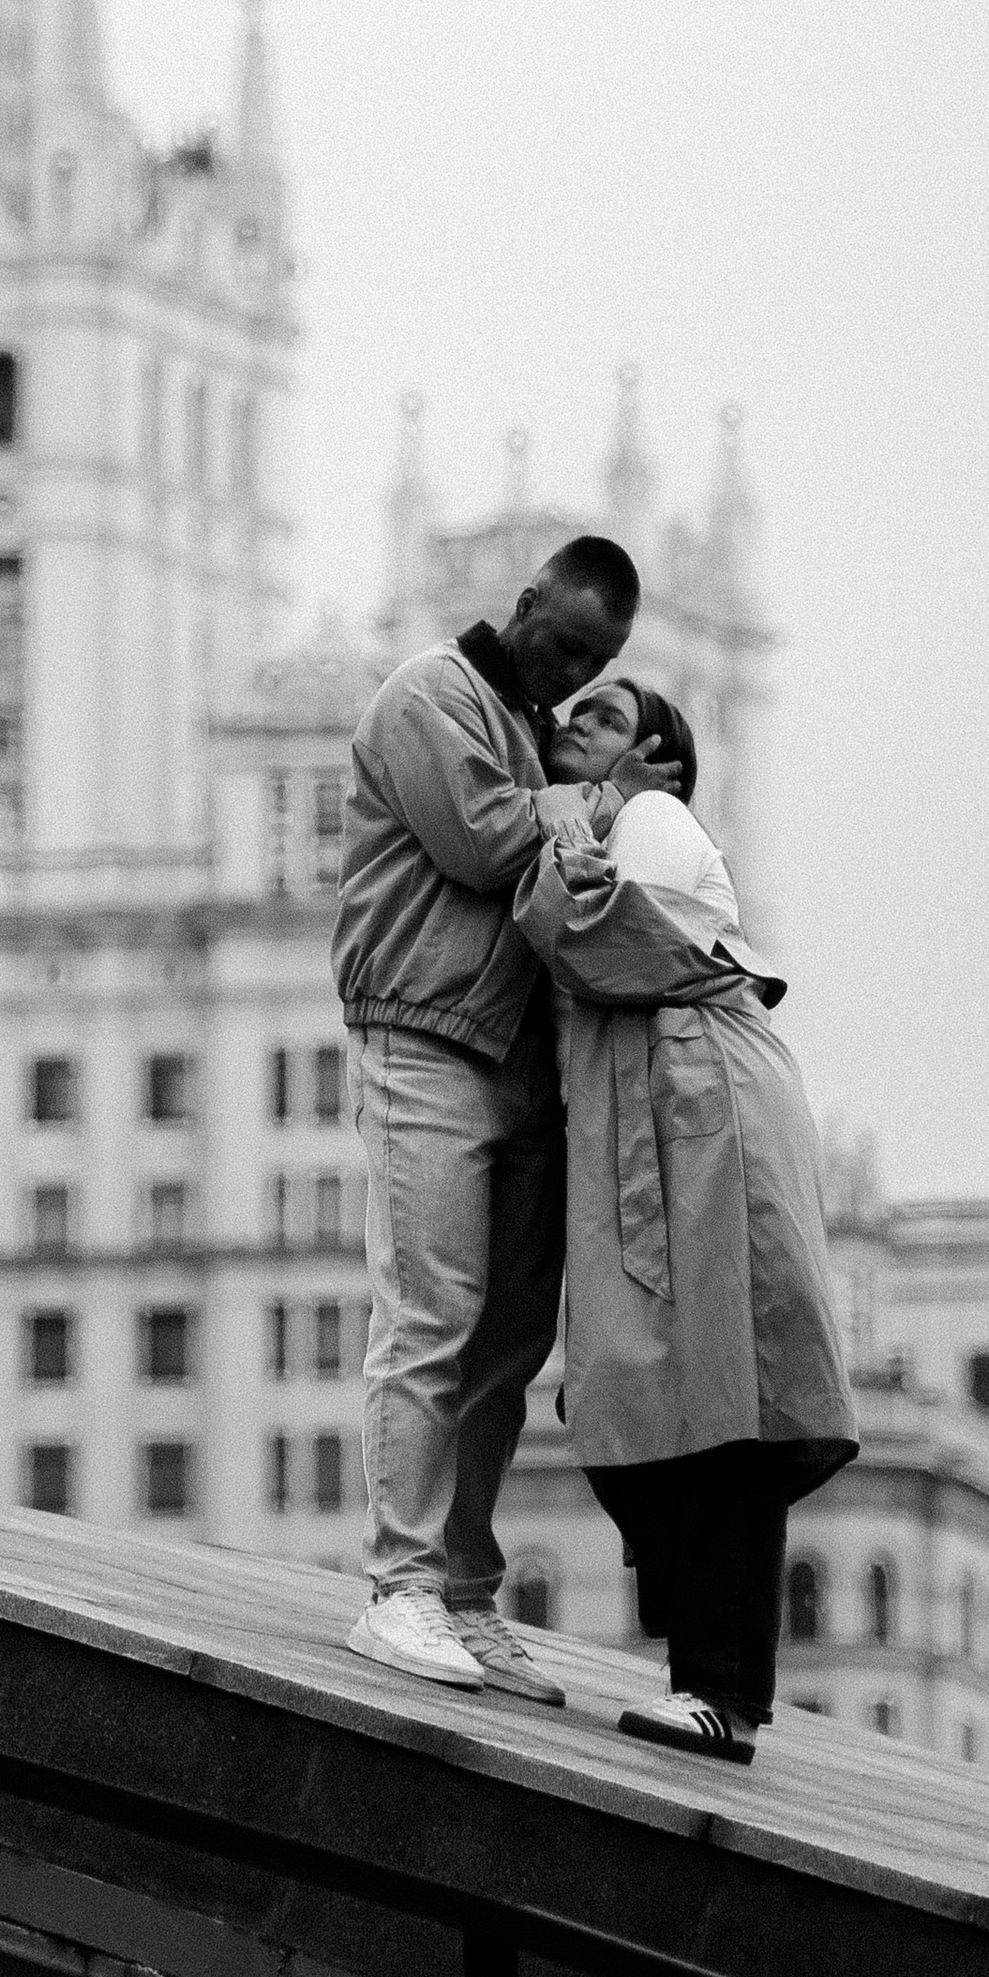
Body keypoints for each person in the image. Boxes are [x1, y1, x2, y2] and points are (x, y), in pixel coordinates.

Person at [330, 539, 680, 1695]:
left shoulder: (538, 736)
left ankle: (464, 1594)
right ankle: (400, 1586)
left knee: (503, 1347)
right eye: (567, 640)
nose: (575, 668)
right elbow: (484, 842)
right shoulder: (433, 694)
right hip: (425, 1040)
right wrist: (607, 801)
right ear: (525, 603)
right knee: (430, 1316)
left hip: (528, 1063)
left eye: (600, 659)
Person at [518, 678, 858, 1760]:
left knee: (724, 1393)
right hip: (650, 1108)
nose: (578, 726)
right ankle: (702, 1664)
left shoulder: (651, 821)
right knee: (630, 1386)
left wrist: (560, 819)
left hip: (702, 1101)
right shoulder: (600, 822)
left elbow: (589, 938)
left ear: (659, 762)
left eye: (609, 721)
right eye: (572, 715)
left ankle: (720, 1689)